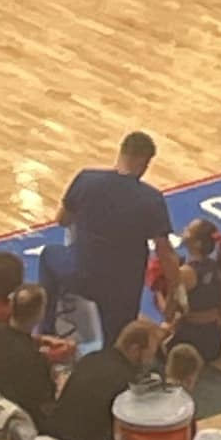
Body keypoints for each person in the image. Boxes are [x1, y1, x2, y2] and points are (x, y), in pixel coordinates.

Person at [56, 136, 171, 349]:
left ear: (121, 152)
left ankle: (49, 325)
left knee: (52, 257)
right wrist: (177, 289)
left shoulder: (85, 178)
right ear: (144, 162)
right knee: (117, 338)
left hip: (83, 275)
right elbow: (165, 252)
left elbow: (62, 220)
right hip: (123, 287)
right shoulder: (151, 199)